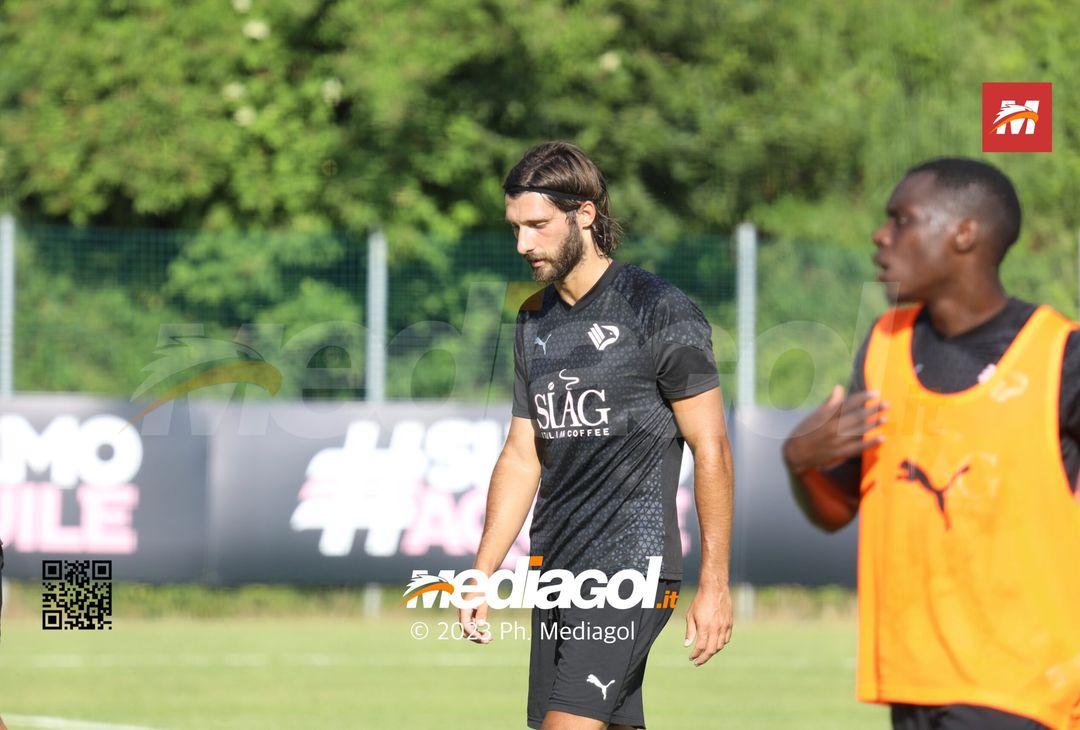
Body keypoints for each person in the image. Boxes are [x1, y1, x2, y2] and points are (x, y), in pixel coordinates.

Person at [783, 157, 1080, 730]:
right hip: (912, 682)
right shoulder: (884, 343)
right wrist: (800, 463)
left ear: (965, 233)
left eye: (901, 219)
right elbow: (837, 511)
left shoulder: (1060, 356)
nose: (879, 233)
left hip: (1020, 686)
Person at [460, 141, 734, 730]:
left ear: (584, 214)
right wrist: (482, 570)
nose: (522, 245)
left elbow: (712, 450)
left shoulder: (659, 310)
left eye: (537, 226)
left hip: (633, 570)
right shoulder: (533, 319)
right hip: (558, 571)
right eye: (515, 228)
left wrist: (714, 585)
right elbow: (521, 456)